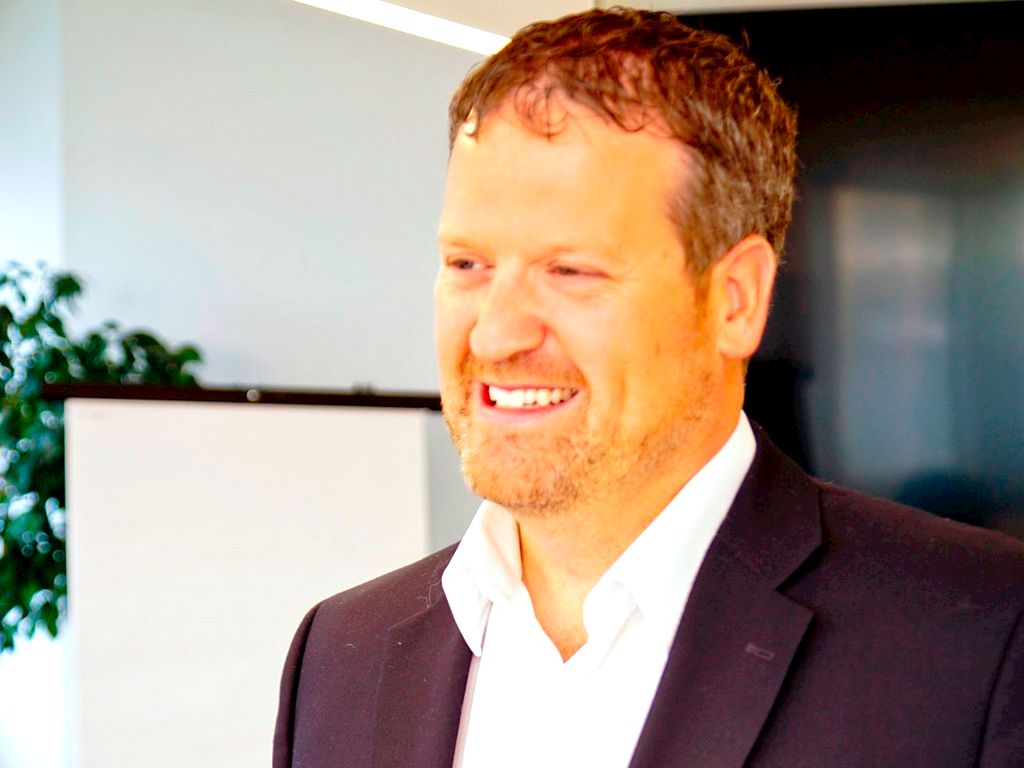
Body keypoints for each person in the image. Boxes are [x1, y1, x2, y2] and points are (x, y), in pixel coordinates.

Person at [273, 9, 1024, 767]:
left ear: (734, 300)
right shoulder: (338, 659)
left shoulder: (982, 646)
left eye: (571, 271)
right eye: (468, 264)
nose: (495, 335)